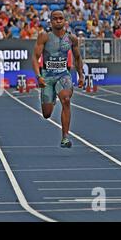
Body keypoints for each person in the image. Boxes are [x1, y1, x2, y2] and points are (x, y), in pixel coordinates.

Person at [32, 10, 84, 148]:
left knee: (66, 100)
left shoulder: (72, 38)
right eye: (55, 18)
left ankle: (65, 137)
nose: (58, 21)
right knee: (46, 114)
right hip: (47, 76)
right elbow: (35, 57)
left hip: (63, 74)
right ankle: (52, 97)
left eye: (61, 18)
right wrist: (38, 76)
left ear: (65, 20)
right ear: (51, 21)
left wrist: (81, 75)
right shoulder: (44, 36)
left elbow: (78, 58)